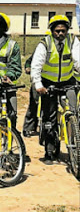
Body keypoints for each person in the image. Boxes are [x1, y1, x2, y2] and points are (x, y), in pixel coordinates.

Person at [31, 15, 80, 165]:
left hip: (68, 82)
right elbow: (36, 66)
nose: (60, 34)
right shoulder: (45, 44)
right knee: (49, 118)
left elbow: (78, 60)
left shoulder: (72, 41)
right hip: (48, 84)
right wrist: (38, 85)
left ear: (67, 31)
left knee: (74, 112)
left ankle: (75, 144)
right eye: (57, 31)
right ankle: (49, 151)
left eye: (63, 31)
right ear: (52, 31)